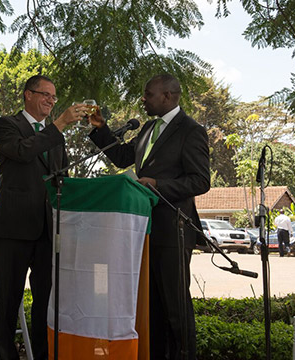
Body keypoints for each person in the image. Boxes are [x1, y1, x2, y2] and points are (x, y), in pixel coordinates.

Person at [88, 74, 210, 359]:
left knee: (175, 305)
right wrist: (101, 129)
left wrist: (159, 184)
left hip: (174, 228)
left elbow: (200, 181)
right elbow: (121, 157)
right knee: (151, 305)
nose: (143, 99)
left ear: (167, 96)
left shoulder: (190, 131)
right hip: (143, 228)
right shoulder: (147, 129)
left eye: (148, 94)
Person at [0, 75, 85, 359]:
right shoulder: (7, 125)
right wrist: (60, 123)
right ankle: (6, 354)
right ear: (28, 95)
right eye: (45, 95)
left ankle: (42, 355)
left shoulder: (56, 137)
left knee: (45, 302)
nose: (51, 101)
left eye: (54, 98)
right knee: (8, 301)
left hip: (47, 230)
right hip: (13, 229)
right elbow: (22, 151)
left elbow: (62, 179)